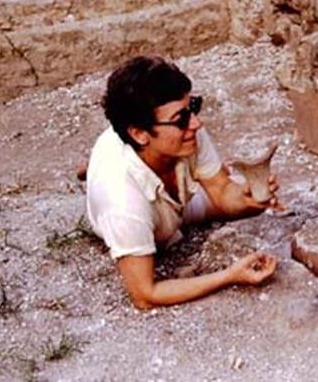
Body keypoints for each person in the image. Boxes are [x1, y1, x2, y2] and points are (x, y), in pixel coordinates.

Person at [85, 56, 280, 310]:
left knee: (247, 204)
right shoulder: (122, 199)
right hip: (145, 212)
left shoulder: (186, 133)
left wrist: (250, 197)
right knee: (151, 226)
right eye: (180, 119)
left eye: (194, 107)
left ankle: (89, 167)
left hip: (177, 199)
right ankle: (90, 174)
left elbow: (221, 191)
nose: (197, 123)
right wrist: (230, 276)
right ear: (139, 134)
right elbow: (145, 295)